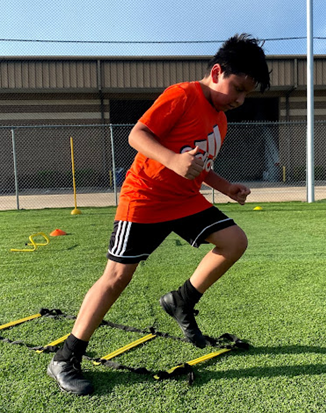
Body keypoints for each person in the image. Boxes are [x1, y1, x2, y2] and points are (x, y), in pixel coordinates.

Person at [47, 33, 271, 395]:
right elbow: (137, 135)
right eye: (237, 88)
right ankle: (65, 357)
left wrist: (226, 186)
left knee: (234, 242)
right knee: (117, 277)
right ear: (216, 72)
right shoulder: (181, 95)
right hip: (146, 198)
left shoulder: (221, 119)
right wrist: (171, 160)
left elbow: (196, 166)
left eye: (247, 94)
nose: (240, 100)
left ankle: (181, 300)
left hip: (184, 201)